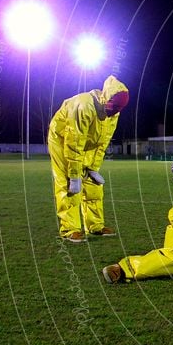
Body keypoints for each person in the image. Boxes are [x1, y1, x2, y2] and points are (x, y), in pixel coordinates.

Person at [48, 75, 129, 243]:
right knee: (68, 183)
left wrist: (93, 168)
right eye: (112, 108)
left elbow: (103, 143)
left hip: (87, 144)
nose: (112, 112)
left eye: (116, 110)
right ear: (106, 97)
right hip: (62, 139)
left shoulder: (113, 113)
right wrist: (75, 174)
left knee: (93, 185)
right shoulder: (83, 105)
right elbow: (74, 142)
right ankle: (70, 229)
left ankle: (95, 225)